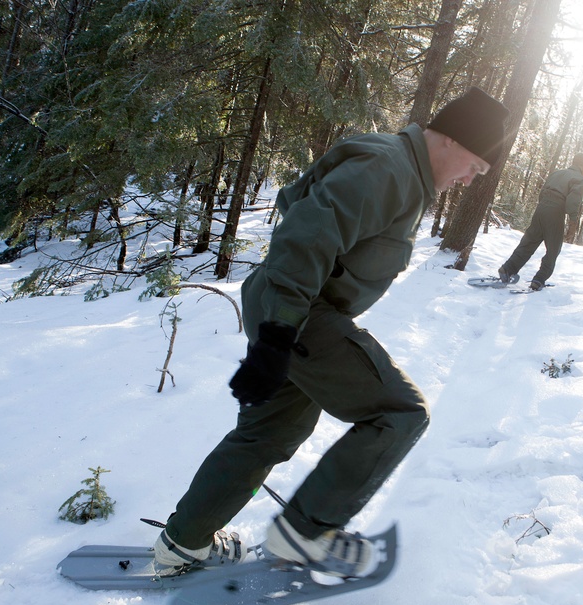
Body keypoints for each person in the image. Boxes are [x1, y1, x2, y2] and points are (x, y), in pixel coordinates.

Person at [153, 87, 509, 577]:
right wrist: (278, 337)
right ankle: (305, 535)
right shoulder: (387, 171)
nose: (470, 180)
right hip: (298, 312)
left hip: (290, 308)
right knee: (401, 411)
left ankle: (183, 542)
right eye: (475, 166)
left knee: (268, 434)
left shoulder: (404, 175)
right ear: (449, 139)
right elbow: (304, 241)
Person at [497, 152, 583, 290]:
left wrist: (544, 206)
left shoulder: (557, 173)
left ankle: (507, 269)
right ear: (582, 165)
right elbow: (573, 202)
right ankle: (539, 279)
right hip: (555, 211)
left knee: (529, 242)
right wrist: (573, 221)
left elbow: (542, 193)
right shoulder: (579, 179)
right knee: (553, 248)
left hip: (541, 208)